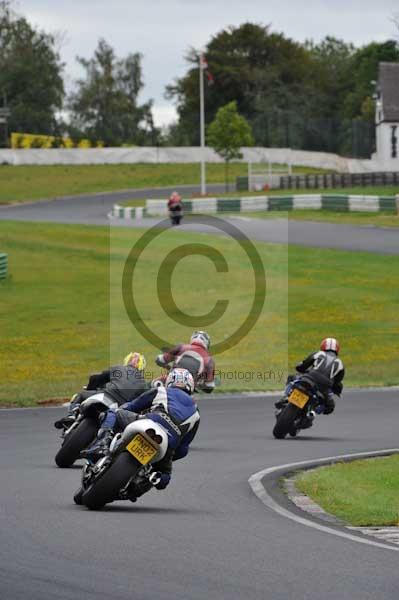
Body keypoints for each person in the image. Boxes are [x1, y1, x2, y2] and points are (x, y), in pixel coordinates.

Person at [82, 367, 200, 493]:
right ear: (191, 385)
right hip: (167, 443)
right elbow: (183, 449)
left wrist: (123, 410)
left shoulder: (161, 390)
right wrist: (169, 455)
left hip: (150, 421)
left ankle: (102, 444)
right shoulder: (196, 414)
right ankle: (139, 486)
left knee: (113, 413)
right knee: (163, 478)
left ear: (170, 381)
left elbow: (133, 406)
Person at [54, 352, 148, 430]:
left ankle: (72, 415)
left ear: (127, 361)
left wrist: (90, 389)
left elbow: (96, 378)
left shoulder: (119, 368)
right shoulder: (144, 383)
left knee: (80, 395)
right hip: (121, 407)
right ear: (141, 367)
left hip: (107, 395)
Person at [276, 337, 345, 427]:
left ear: (323, 346)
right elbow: (337, 382)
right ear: (337, 350)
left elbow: (303, 365)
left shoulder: (318, 354)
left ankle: (285, 397)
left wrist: (300, 367)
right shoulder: (340, 363)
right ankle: (313, 412)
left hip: (308, 379)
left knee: (291, 378)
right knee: (330, 406)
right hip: (323, 388)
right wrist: (337, 389)